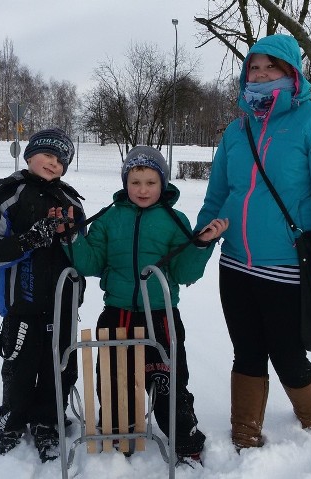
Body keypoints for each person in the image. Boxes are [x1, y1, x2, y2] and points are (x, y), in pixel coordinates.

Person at [195, 34, 311, 449]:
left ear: (292, 72)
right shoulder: (237, 128)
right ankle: (245, 430)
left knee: (287, 355)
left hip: (287, 267)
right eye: (254, 67)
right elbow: (219, 194)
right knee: (246, 351)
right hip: (235, 264)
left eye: (271, 67)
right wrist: (199, 240)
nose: (261, 74)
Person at [60, 146, 229, 464]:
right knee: (114, 379)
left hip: (161, 316)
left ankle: (185, 439)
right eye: (135, 181)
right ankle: (119, 431)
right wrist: (72, 240)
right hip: (117, 314)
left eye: (150, 182)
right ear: (125, 182)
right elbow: (91, 261)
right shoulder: (110, 218)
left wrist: (202, 245)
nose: (142, 189)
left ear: (162, 183)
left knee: (169, 380)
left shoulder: (174, 219)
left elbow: (184, 272)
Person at [0, 127, 86, 462]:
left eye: (60, 159)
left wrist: (70, 238)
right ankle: (12, 421)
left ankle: (48, 422)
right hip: (20, 305)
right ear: (29, 155)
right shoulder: (7, 196)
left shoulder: (71, 203)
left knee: (59, 367)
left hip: (61, 307)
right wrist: (27, 241)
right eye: (47, 154)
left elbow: (84, 256)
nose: (52, 163)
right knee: (19, 367)